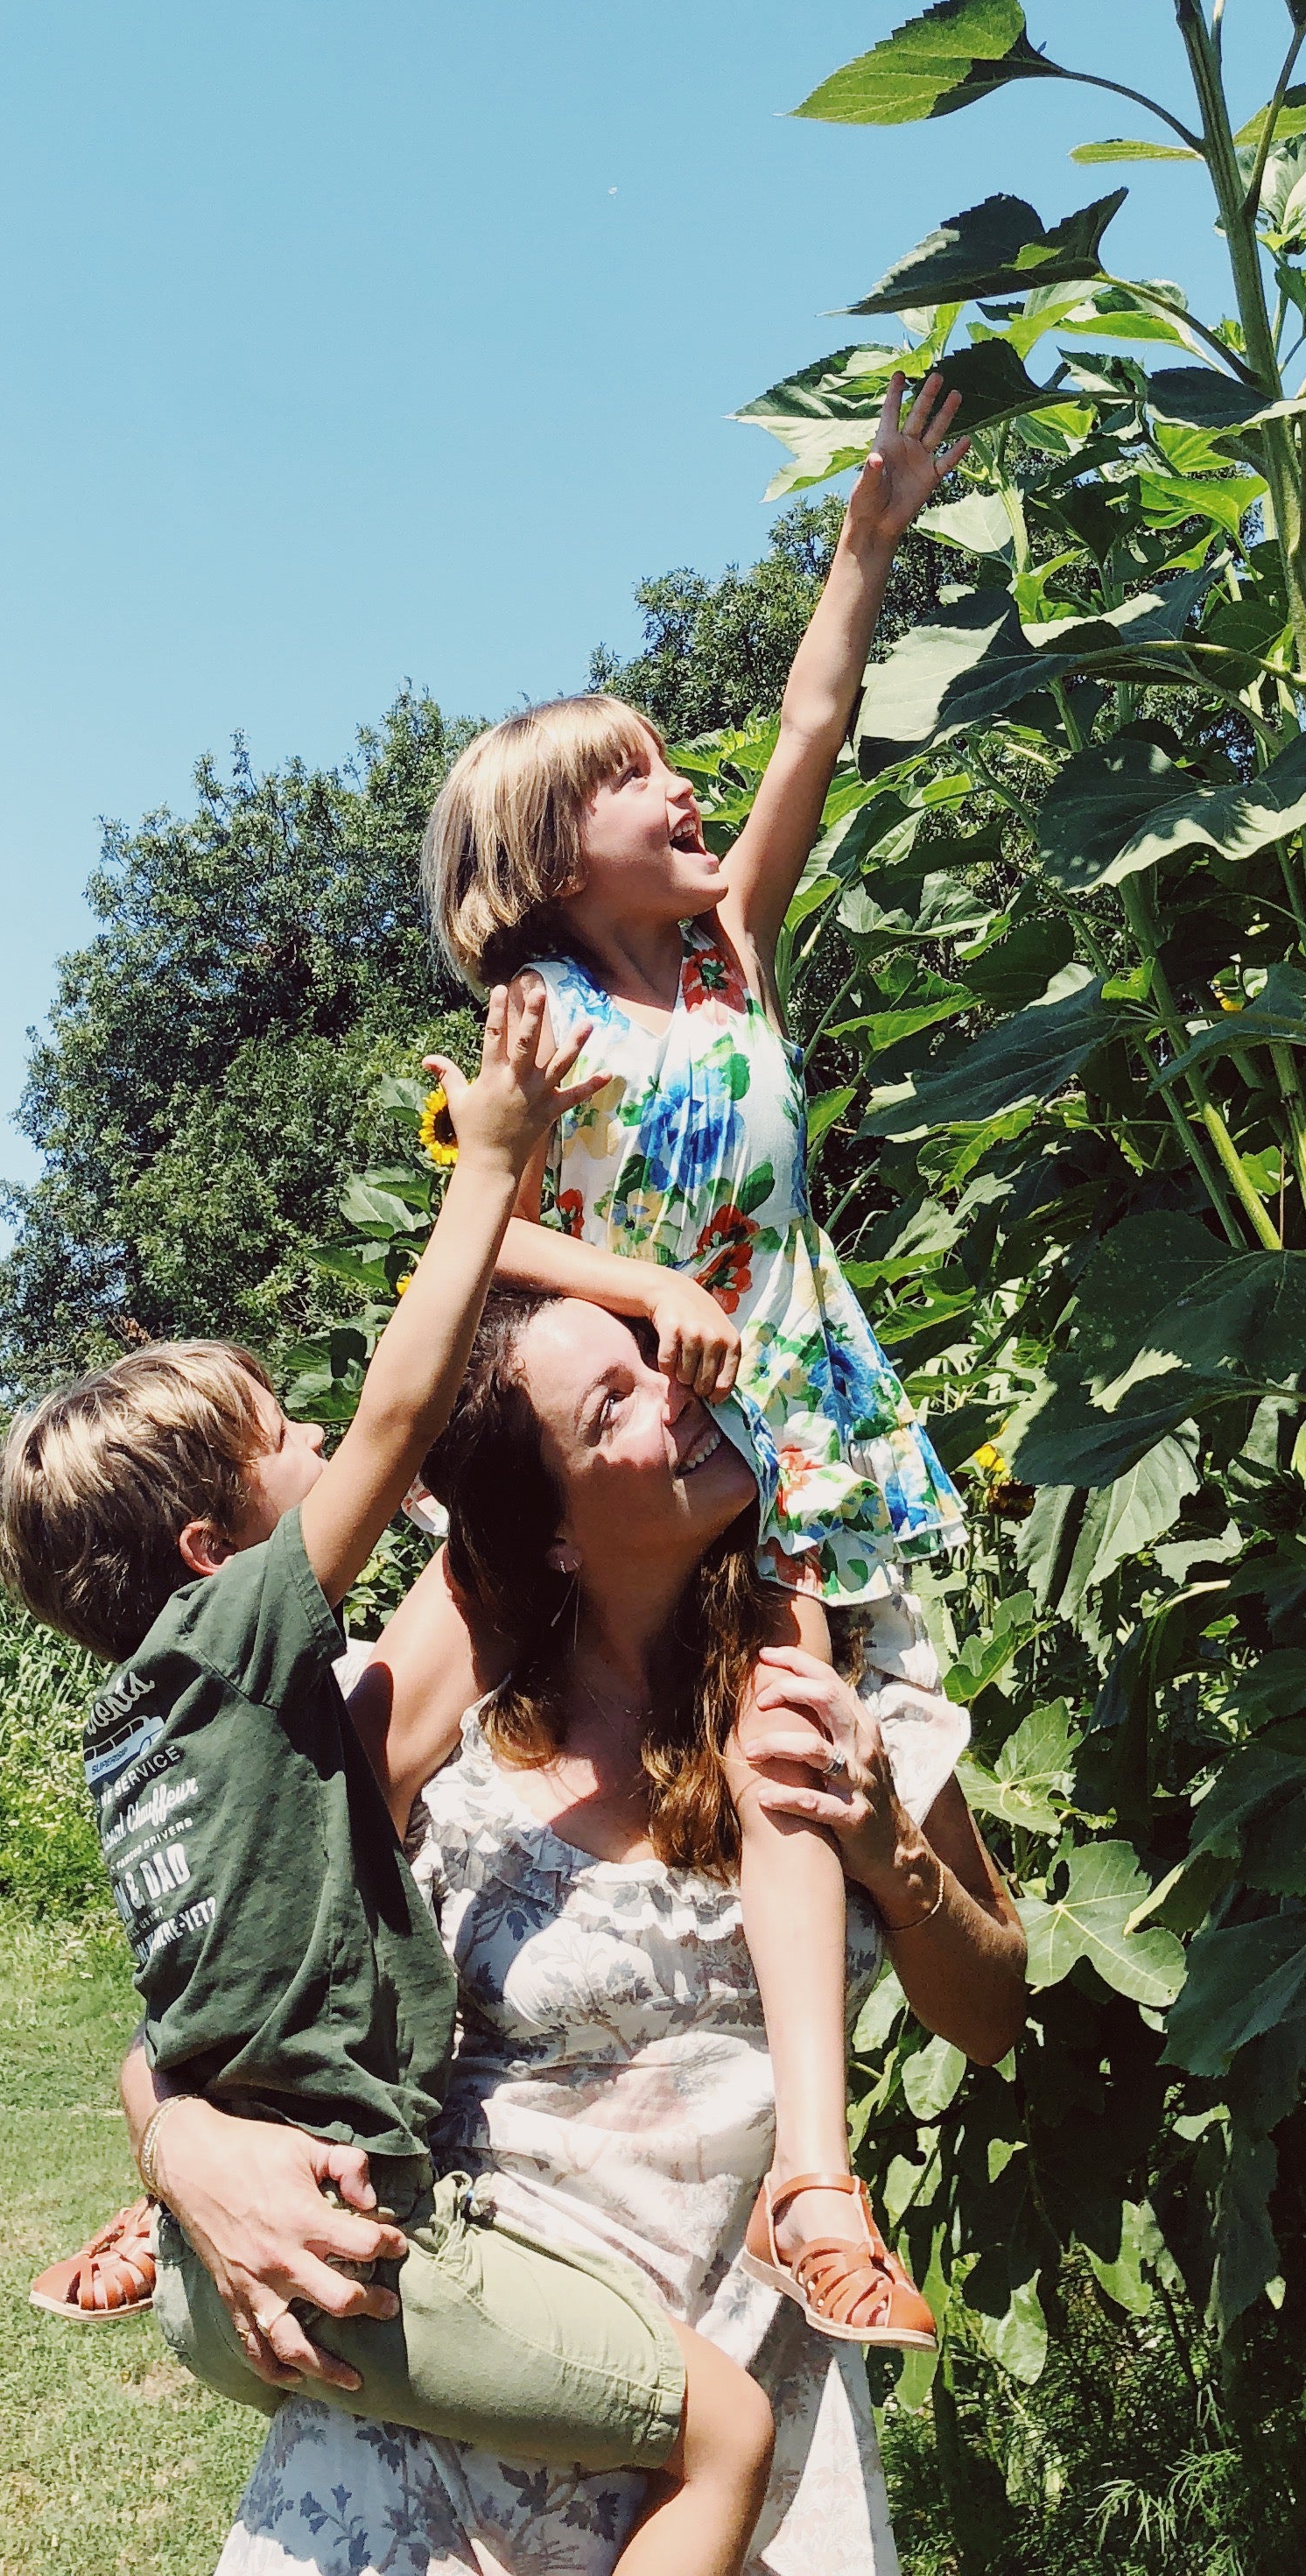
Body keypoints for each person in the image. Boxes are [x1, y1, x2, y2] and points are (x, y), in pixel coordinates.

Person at [0, 984, 776, 2576]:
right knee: (727, 2432)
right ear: (215, 1557)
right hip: (351, 2250)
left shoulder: (142, 1740)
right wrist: (492, 1165)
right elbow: (410, 1413)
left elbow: (202, 2007)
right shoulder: (233, 1643)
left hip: (239, 2270)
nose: (329, 1437)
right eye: (289, 1437)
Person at [138, 1286, 1027, 2575]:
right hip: (450, 2393)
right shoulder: (466, 1733)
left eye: (655, 1362)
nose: (678, 1393)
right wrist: (179, 2141)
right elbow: (230, 1957)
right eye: (612, 1402)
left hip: (734, 2399)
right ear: (549, 1533)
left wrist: (888, 1843)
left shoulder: (855, 1688)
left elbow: (991, 2015)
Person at [411, 370, 967, 2340]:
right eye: (637, 776)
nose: (685, 787)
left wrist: (864, 541)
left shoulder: (728, 962)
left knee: (795, 1752)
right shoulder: (539, 1021)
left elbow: (816, 717)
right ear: (557, 856)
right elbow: (481, 1234)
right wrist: (645, 1297)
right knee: (372, 1712)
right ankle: (215, 2103)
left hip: (781, 1415)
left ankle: (817, 2183)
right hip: (610, 1428)